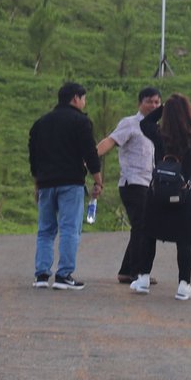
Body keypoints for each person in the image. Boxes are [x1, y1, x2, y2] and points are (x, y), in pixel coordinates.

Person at [132, 93, 191, 300]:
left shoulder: (160, 136)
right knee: (185, 242)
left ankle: (143, 278)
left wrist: (165, 107)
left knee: (149, 235)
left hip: (157, 195)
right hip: (184, 200)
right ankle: (183, 285)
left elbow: (145, 123)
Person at [27, 81, 102, 289]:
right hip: (71, 183)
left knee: (45, 230)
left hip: (45, 183)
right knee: (70, 229)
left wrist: (37, 182)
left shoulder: (40, 123)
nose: (84, 103)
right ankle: (64, 275)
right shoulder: (80, 122)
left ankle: (41, 275)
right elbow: (90, 153)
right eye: (83, 98)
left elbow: (34, 157)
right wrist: (98, 180)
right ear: (75, 98)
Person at [95, 86, 163, 288]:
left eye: (157, 102)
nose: (153, 105)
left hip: (151, 183)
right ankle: (137, 271)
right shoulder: (130, 124)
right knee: (142, 225)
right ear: (140, 103)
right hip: (132, 182)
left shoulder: (157, 128)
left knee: (142, 226)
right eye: (149, 101)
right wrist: (91, 157)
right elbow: (110, 141)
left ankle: (126, 271)